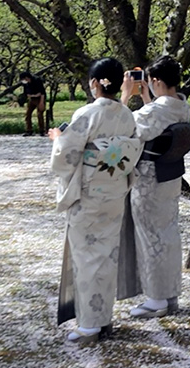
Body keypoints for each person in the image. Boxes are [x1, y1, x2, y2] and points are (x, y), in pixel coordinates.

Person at [49, 58, 143, 346]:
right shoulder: (127, 115)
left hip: (88, 194)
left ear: (94, 83)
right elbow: (133, 149)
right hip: (114, 192)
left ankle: (89, 326)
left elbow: (65, 156)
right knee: (106, 256)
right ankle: (103, 319)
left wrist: (56, 138)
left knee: (87, 258)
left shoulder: (87, 113)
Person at [119, 56, 190, 319]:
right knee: (168, 234)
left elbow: (123, 127)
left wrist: (126, 96)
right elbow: (156, 122)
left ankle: (156, 299)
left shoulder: (154, 112)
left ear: (156, 81)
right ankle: (169, 294)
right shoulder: (183, 106)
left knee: (150, 237)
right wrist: (148, 97)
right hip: (170, 177)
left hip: (149, 180)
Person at [19, 71, 46, 136]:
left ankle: (41, 130)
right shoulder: (26, 84)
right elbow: (26, 93)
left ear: (26, 77)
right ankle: (29, 130)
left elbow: (42, 93)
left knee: (39, 114)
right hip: (31, 99)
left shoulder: (37, 80)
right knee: (28, 114)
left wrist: (41, 103)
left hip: (39, 99)